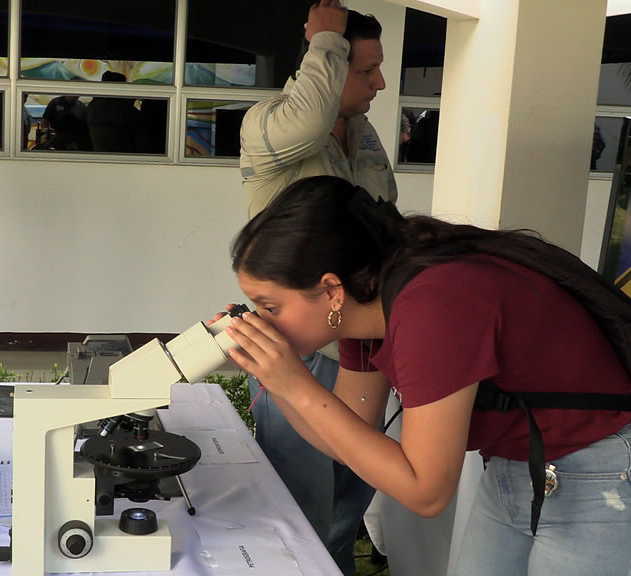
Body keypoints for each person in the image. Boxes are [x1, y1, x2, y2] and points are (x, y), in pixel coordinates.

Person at [222, 175, 631, 576]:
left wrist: (296, 386)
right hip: (521, 475)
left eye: (270, 307)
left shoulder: (433, 303)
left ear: (330, 290)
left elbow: (425, 490)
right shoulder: (364, 312)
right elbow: (350, 439)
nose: (263, 321)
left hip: (609, 484)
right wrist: (278, 381)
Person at [237, 2, 395, 572]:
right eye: (365, 70)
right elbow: (306, 121)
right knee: (297, 514)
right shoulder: (267, 124)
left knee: (349, 502)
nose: (380, 82)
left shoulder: (363, 135)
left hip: (365, 346)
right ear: (323, 66)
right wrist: (325, 38)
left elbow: (386, 225)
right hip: (301, 349)